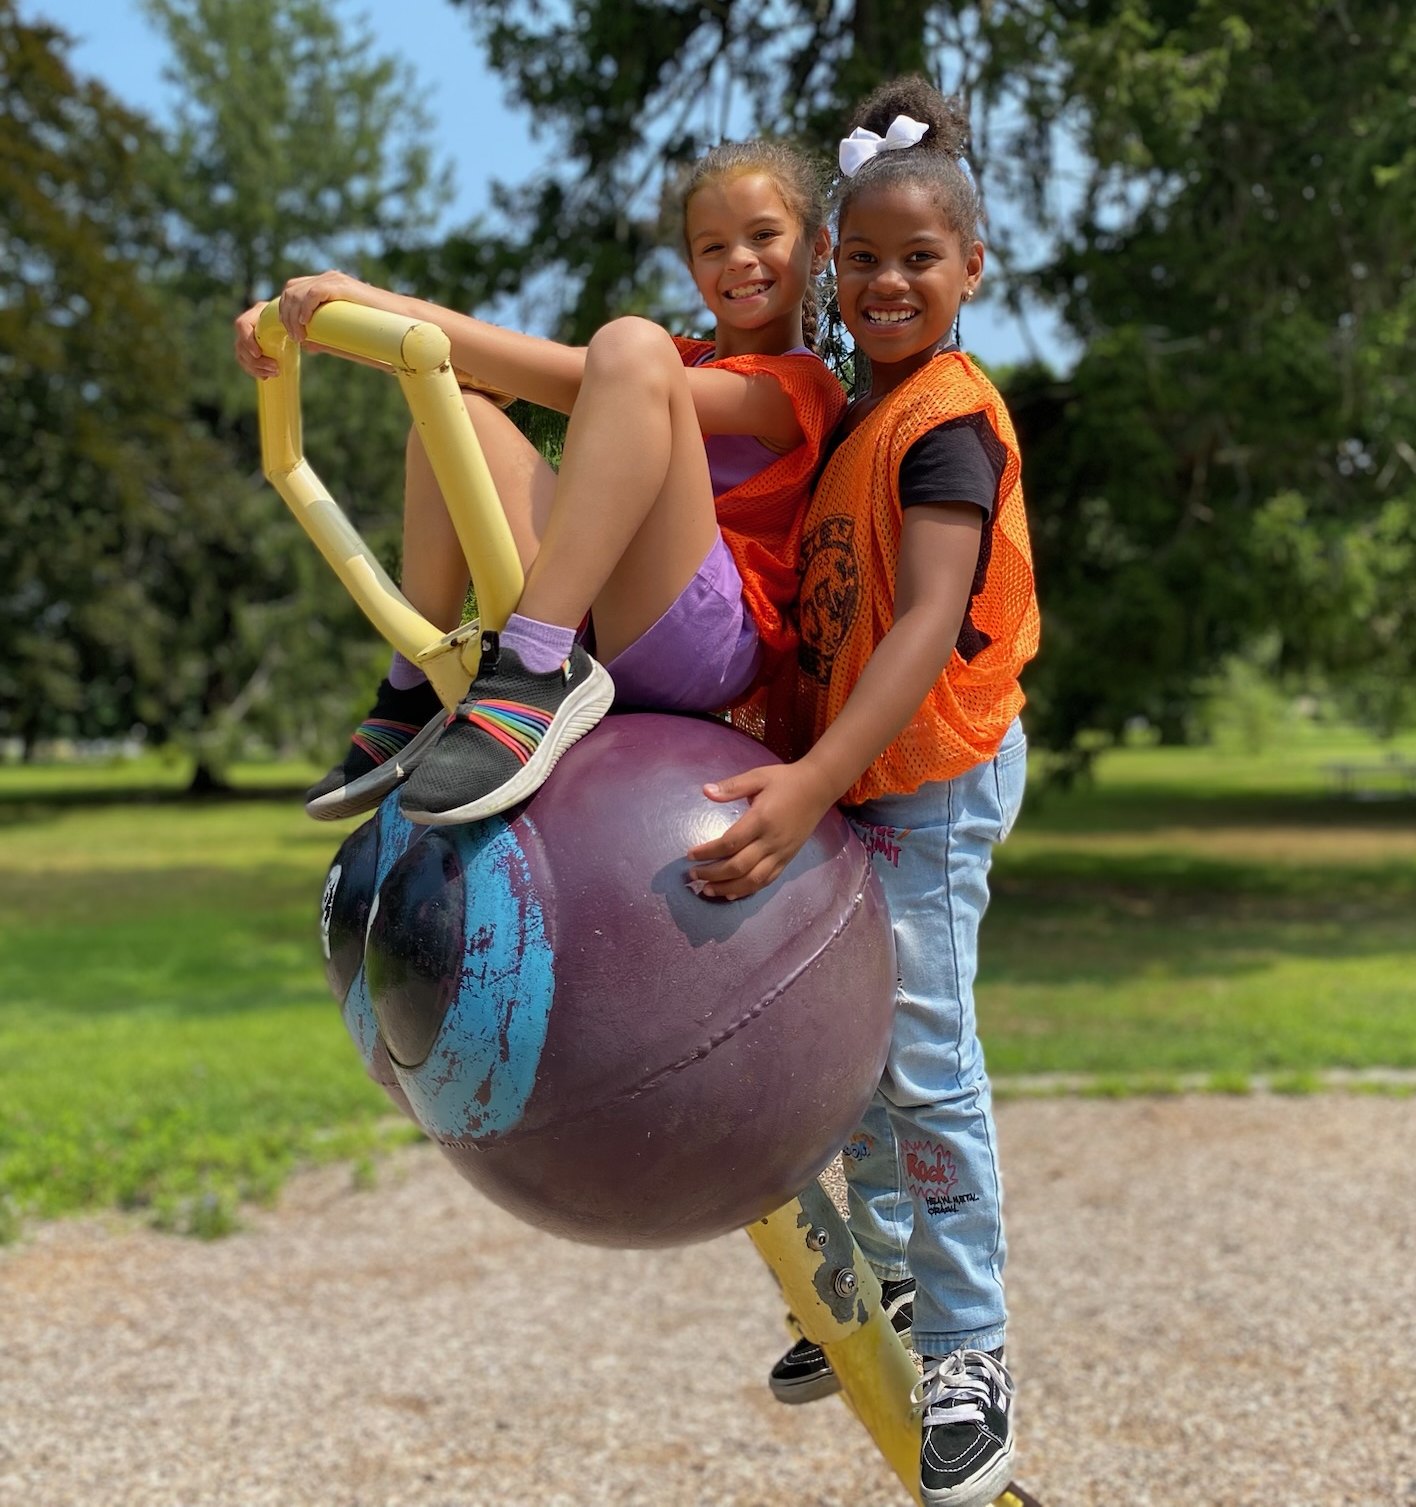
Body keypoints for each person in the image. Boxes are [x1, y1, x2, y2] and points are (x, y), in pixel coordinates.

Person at [686, 80, 1039, 1507]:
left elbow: (918, 625)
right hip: (865, 775)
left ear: (971, 271)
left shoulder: (948, 423)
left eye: (920, 259)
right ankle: (885, 1284)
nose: (890, 280)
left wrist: (813, 778)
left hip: (930, 780)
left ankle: (971, 1355)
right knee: (854, 1046)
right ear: (836, 274)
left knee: (926, 1060)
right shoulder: (857, 420)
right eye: (868, 259)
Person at [232, 139, 846, 826]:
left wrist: (369, 298)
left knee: (628, 346)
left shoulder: (804, 386)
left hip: (709, 643)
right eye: (712, 246)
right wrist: (320, 327)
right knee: (453, 414)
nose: (738, 259)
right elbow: (481, 370)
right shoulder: (668, 362)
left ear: (818, 249)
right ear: (692, 266)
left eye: (764, 235)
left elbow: (565, 376)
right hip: (610, 619)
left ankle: (532, 663)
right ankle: (420, 682)